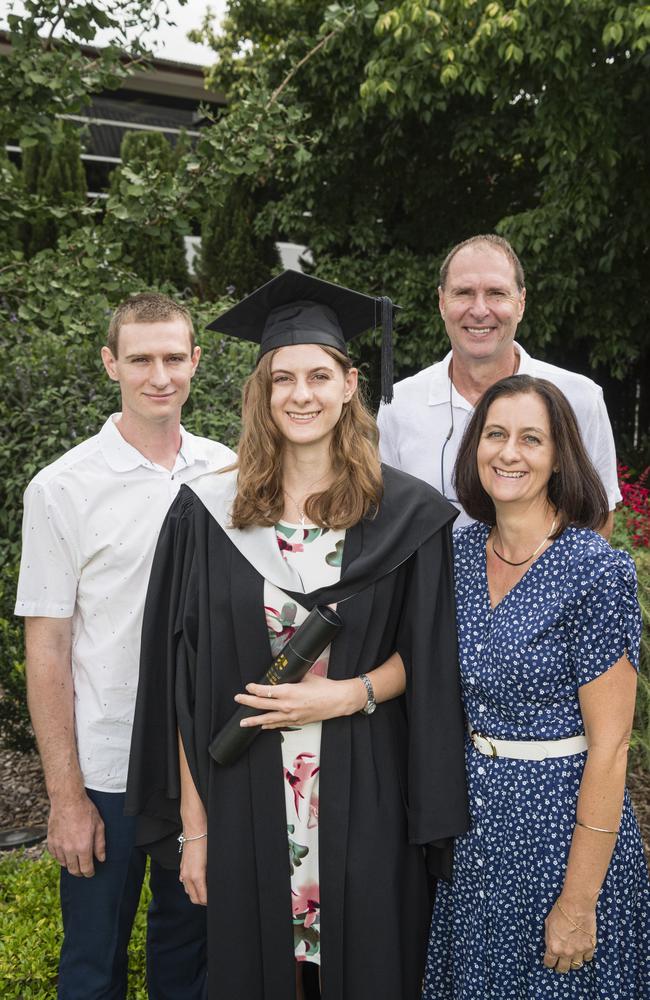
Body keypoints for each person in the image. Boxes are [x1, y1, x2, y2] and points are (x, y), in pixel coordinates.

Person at [125, 270, 469, 1000]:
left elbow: (433, 655)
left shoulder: (407, 515)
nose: (301, 394)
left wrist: (349, 695)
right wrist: (195, 827)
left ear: (351, 383)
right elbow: (183, 685)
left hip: (367, 791)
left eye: (319, 374)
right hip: (242, 796)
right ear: (262, 391)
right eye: (283, 378)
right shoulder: (206, 515)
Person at [14, 293, 235, 1000]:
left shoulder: (230, 474)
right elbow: (47, 651)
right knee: (92, 964)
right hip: (107, 771)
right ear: (111, 363)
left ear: (197, 362)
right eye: (141, 358)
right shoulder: (61, 488)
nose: (159, 375)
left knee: (190, 958)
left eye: (174, 357)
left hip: (204, 762)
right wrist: (65, 798)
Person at [423, 374, 650, 999]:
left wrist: (579, 901)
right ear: (475, 447)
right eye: (495, 434)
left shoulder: (595, 569)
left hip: (560, 828)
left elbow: (610, 747)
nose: (509, 453)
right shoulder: (457, 554)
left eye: (531, 439)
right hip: (474, 832)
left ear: (558, 458)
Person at [377, 234, 620, 536]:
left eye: (496, 293)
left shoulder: (579, 398)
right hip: (427, 584)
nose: (479, 310)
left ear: (521, 303)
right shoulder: (399, 404)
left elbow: (598, 518)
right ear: (442, 302)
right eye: (463, 292)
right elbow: (387, 518)